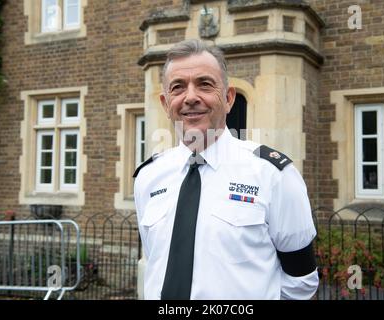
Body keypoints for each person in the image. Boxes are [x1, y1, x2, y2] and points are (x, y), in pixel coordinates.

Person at [133, 39, 319, 300]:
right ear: (166, 104)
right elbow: (157, 262)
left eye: (204, 84)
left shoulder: (273, 175)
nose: (190, 97)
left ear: (229, 98)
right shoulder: (148, 178)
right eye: (178, 88)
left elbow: (301, 282)